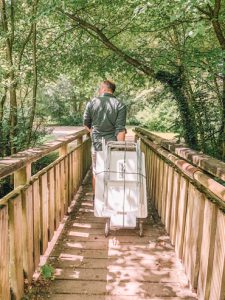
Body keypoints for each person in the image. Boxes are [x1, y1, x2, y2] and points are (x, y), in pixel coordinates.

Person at [83, 80, 127, 195]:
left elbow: (86, 124)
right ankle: (112, 197)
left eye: (99, 88)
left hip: (97, 145)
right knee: (114, 171)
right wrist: (121, 149)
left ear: (104, 88)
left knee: (97, 172)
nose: (98, 90)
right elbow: (120, 129)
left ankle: (98, 199)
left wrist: (94, 132)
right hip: (113, 145)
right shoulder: (120, 105)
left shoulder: (92, 103)